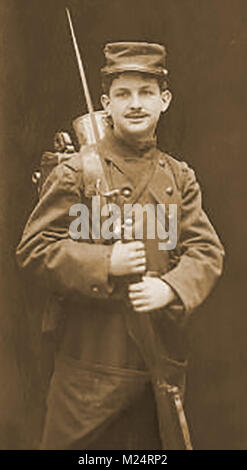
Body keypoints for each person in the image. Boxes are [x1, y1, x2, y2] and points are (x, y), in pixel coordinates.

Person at [16, 42, 224, 450]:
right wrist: (106, 261)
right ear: (105, 103)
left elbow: (206, 250)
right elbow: (35, 248)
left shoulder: (179, 177)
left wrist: (172, 287)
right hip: (87, 371)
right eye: (123, 93)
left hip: (157, 367)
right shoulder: (77, 172)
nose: (135, 104)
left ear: (164, 101)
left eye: (146, 92)